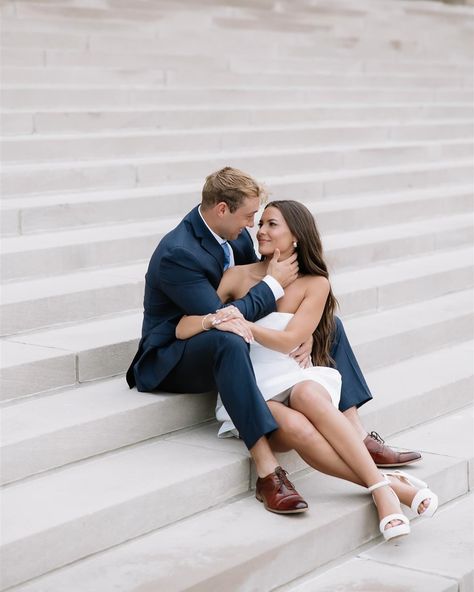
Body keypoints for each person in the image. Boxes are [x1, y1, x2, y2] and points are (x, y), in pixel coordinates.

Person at [126, 166, 420, 515]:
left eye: (262, 220)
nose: (253, 227)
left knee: (330, 322)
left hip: (225, 332)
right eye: (250, 217)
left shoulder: (232, 233)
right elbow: (228, 318)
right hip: (172, 354)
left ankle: (356, 433)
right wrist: (274, 285)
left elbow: (260, 298)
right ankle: (267, 471)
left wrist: (305, 329)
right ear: (223, 209)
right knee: (230, 341)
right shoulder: (180, 252)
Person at [175, 200, 438, 539]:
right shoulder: (235, 277)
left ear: (296, 236)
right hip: (254, 390)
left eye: (272, 225)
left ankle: (382, 492)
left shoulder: (316, 284)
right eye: (261, 223)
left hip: (293, 373)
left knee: (309, 393)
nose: (261, 230)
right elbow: (183, 326)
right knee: (298, 426)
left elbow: (289, 342)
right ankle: (389, 486)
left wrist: (241, 323)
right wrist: (215, 320)